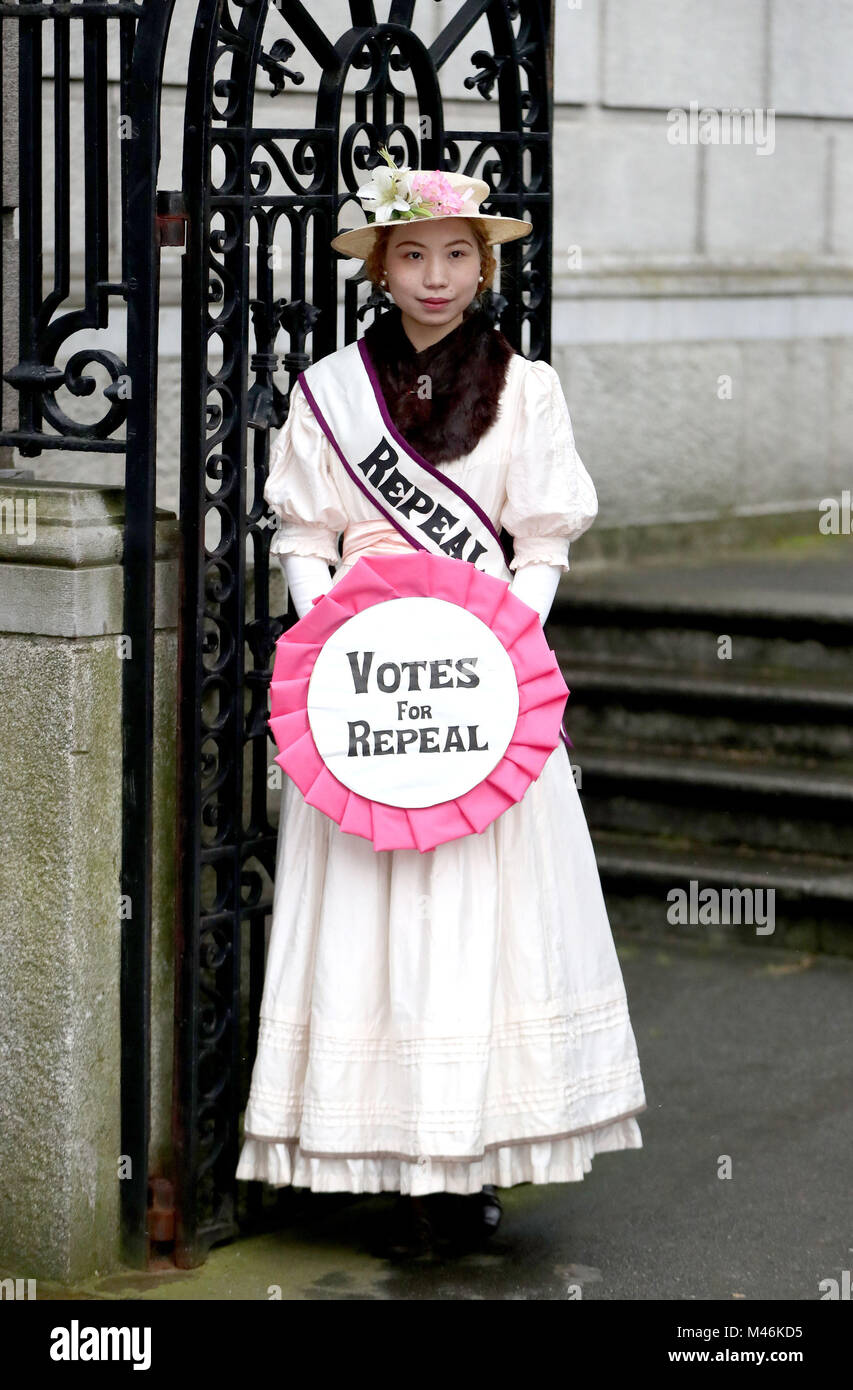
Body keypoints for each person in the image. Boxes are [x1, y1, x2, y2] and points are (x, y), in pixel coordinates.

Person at [236, 156, 647, 1256]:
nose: (434, 275)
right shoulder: (328, 389)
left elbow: (541, 539)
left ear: (483, 266)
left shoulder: (529, 389)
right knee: (376, 922)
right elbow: (302, 537)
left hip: (485, 691)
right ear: (379, 265)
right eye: (411, 253)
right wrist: (335, 648)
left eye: (456, 254)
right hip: (365, 697)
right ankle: (390, 1170)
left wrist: (501, 650)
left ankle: (468, 1166)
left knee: (484, 924)